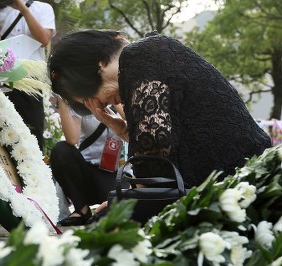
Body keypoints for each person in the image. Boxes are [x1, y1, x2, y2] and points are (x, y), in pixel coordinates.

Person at [48, 30, 272, 191]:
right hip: (246, 175)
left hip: (246, 181)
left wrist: (138, 194)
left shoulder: (138, 57)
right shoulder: (149, 52)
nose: (100, 104)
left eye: (91, 96)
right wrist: (121, 129)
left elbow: (155, 142)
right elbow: (170, 143)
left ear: (98, 66)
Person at [0, 0, 56, 151]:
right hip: (2, 77)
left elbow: (44, 39)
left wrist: (22, 8)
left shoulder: (43, 8)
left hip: (30, 79)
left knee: (32, 130)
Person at [51, 98, 124, 226]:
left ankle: (104, 209)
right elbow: (72, 139)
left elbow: (133, 119)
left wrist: (113, 98)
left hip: (115, 173)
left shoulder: (119, 96)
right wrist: (63, 98)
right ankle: (82, 210)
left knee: (115, 213)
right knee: (61, 150)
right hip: (88, 169)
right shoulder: (82, 102)